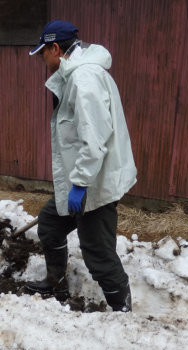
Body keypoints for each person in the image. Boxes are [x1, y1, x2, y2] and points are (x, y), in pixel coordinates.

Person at [25, 20, 137, 312]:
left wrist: (80, 184)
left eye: (42, 54)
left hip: (92, 184)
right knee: (50, 225)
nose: (41, 60)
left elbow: (94, 139)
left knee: (98, 253)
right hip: (82, 181)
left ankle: (122, 310)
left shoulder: (83, 80)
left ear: (55, 48)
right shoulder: (76, 75)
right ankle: (54, 282)